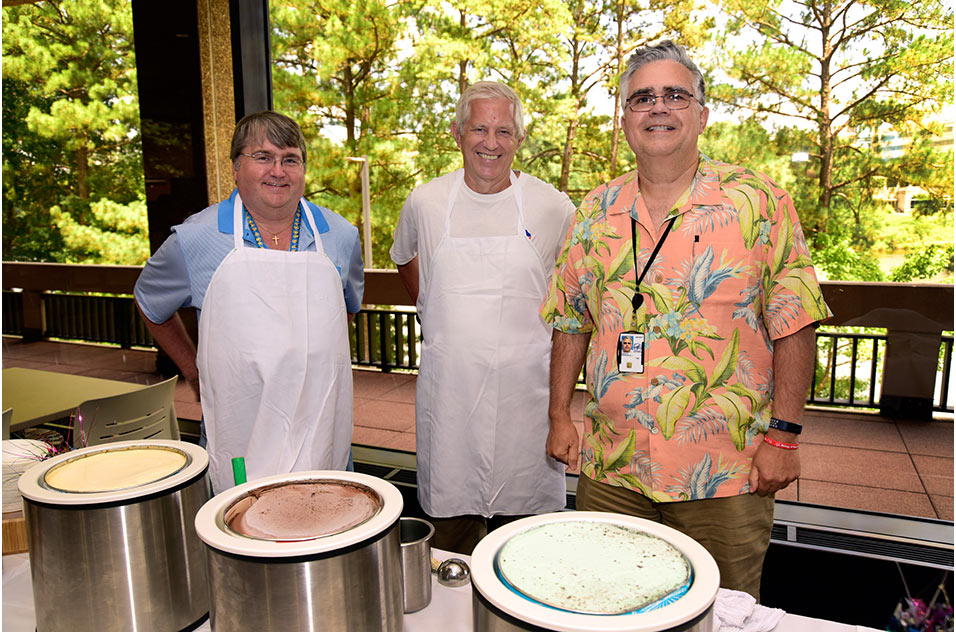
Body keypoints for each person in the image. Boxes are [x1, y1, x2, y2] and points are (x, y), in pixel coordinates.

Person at [542, 41, 831, 599]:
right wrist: (559, 415)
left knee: (721, 613)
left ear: (701, 114)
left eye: (676, 95)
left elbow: (796, 322)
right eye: (642, 97)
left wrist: (786, 437)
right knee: (610, 604)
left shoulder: (758, 203)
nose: (658, 108)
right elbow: (570, 319)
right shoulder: (595, 211)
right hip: (613, 470)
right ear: (623, 117)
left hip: (725, 473)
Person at [390, 81, 576, 553]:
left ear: (519, 139)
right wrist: (430, 306)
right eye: (479, 129)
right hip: (450, 400)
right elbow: (404, 256)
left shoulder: (553, 207)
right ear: (456, 133)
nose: (490, 143)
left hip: (528, 405)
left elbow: (573, 293)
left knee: (530, 551)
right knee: (450, 548)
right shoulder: (426, 202)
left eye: (504, 131)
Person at [134, 111, 364, 493]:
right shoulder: (196, 239)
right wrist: (194, 371)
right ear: (237, 167)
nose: (278, 170)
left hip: (323, 426)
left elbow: (348, 307)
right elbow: (149, 302)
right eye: (263, 157)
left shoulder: (340, 235)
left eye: (290, 159)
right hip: (242, 430)